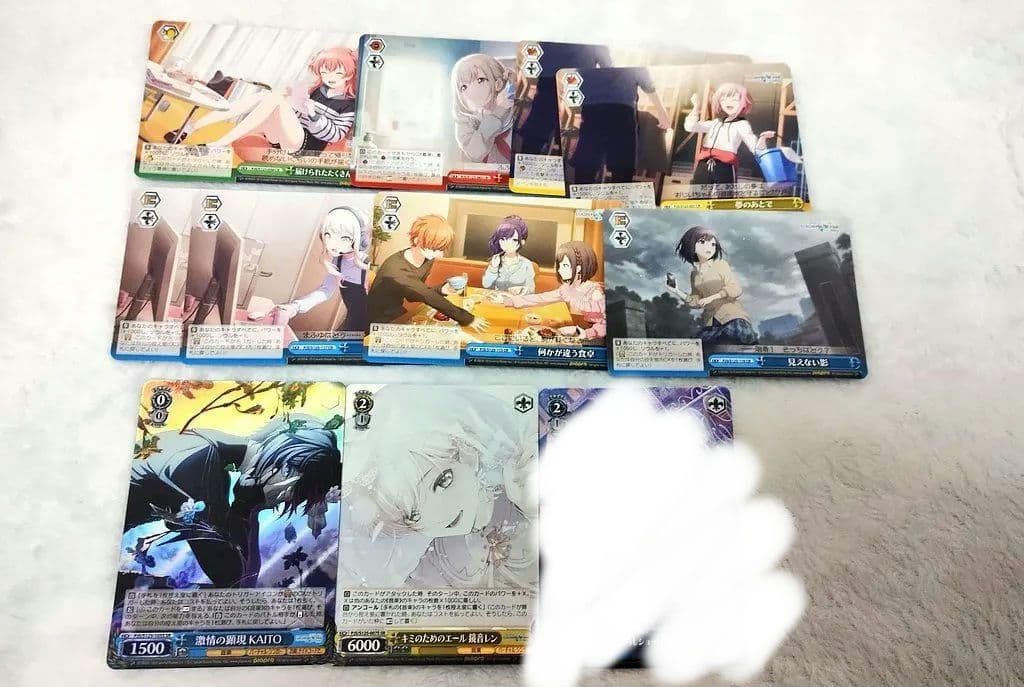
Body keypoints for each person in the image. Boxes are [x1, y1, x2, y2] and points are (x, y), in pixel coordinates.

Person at [338, 386, 537, 589]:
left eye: (444, 480)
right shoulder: (429, 559)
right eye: (413, 516)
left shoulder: (516, 475)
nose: (439, 512)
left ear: (465, 453)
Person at [122, 417, 341, 588]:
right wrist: (245, 509)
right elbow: (233, 580)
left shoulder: (210, 453)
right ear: (286, 469)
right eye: (292, 494)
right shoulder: (198, 464)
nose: (284, 499)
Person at [179, 46, 357, 153]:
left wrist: (314, 115)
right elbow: (295, 116)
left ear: (349, 73)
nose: (329, 77)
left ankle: (217, 143)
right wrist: (292, 101)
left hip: (305, 147)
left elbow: (335, 136)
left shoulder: (349, 104)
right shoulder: (316, 90)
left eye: (337, 73)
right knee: (266, 96)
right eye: (324, 72)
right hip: (285, 136)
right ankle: (192, 127)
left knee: (274, 99)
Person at [365, 214, 488, 332]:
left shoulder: (426, 259)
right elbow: (426, 295)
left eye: (439, 249)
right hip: (377, 322)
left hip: (396, 313)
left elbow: (413, 295)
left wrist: (442, 289)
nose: (435, 253)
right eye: (432, 248)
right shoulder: (395, 269)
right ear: (417, 239)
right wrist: (467, 318)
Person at [684, 82, 802, 188]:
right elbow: (690, 126)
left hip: (725, 165)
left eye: (735, 99)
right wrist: (696, 107)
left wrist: (762, 138)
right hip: (704, 164)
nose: (728, 102)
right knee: (696, 197)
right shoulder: (715, 123)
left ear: (744, 103)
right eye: (724, 99)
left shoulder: (742, 124)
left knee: (724, 199)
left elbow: (754, 147)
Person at [276, 207, 370, 333]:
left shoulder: (368, 266)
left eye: (344, 238)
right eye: (328, 235)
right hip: (350, 323)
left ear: (361, 239)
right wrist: (295, 307)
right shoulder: (338, 261)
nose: (333, 242)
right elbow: (325, 290)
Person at [493, 241, 605, 340]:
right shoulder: (569, 288)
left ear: (579, 268)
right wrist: (509, 300)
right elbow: (541, 298)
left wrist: (582, 332)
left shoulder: (595, 293)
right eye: (560, 265)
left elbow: (606, 325)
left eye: (565, 265)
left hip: (601, 337)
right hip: (588, 330)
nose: (560, 270)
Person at [666, 225, 758, 345]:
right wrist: (677, 291)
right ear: (691, 245)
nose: (709, 247)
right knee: (700, 345)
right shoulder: (694, 274)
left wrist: (712, 297)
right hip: (712, 323)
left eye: (713, 244)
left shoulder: (720, 265)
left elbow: (735, 289)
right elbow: (696, 301)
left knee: (730, 338)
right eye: (703, 242)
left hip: (732, 317)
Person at [452, 53, 515, 164]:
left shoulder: (513, 113)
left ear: (498, 84)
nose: (471, 91)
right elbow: (474, 153)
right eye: (464, 87)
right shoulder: (465, 121)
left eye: (480, 80)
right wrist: (497, 113)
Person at [482, 215, 536, 295]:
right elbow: (486, 285)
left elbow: (532, 290)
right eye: (503, 239)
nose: (507, 244)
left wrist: (522, 289)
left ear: (522, 242)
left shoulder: (527, 264)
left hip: (517, 301)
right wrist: (493, 268)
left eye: (514, 240)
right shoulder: (496, 260)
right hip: (497, 301)